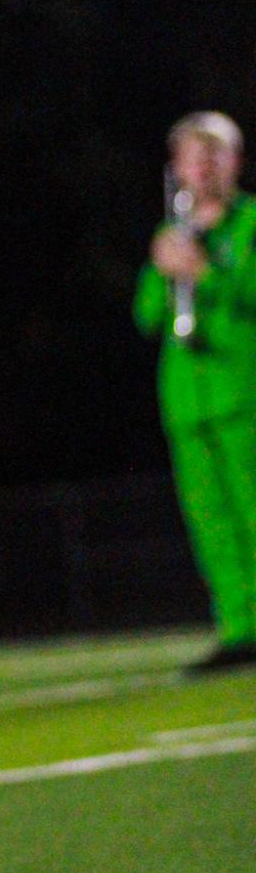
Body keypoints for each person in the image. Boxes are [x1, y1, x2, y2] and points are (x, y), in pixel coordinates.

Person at [134, 111, 256, 672]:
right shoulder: (171, 233)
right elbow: (146, 316)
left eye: (215, 155)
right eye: (192, 157)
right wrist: (164, 270)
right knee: (212, 522)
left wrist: (208, 273)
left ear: (235, 162)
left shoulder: (250, 223)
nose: (203, 167)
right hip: (188, 401)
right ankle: (238, 629)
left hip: (242, 391)